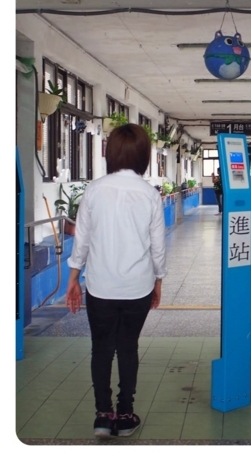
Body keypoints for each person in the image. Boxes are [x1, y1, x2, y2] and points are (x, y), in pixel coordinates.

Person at [66, 124, 166, 439]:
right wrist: (158, 280)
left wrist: (73, 278)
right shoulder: (150, 194)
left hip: (100, 286)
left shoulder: (94, 191)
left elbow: (81, 241)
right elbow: (158, 246)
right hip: (138, 286)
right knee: (127, 347)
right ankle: (125, 414)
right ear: (143, 156)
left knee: (101, 348)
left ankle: (102, 415)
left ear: (110, 153)